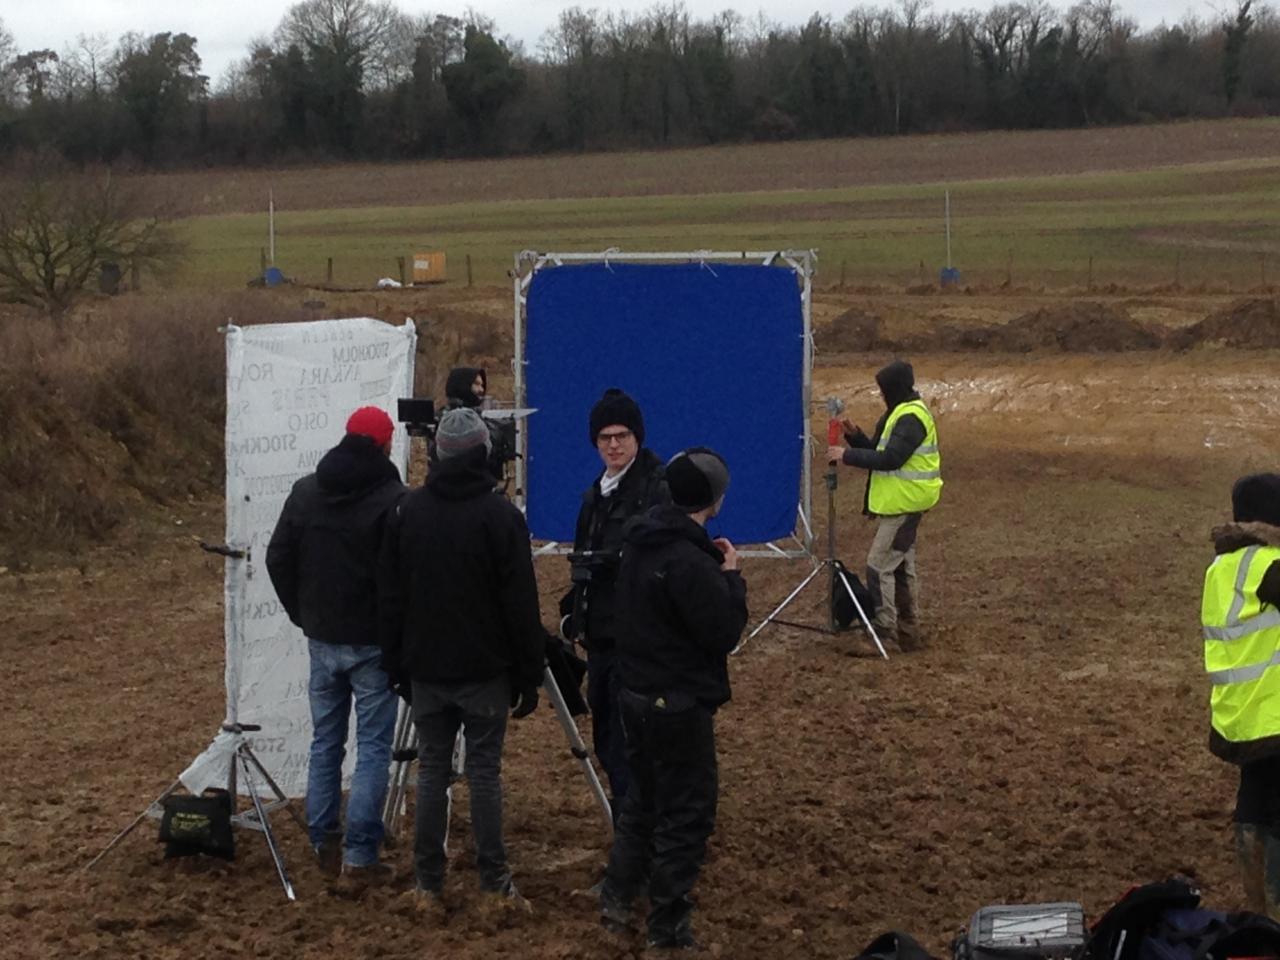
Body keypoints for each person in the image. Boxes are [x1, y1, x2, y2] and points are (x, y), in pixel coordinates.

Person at [379, 406, 544, 907]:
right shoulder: (500, 517)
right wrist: (529, 673)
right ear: (484, 454)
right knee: (484, 773)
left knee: (430, 772)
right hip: (484, 671)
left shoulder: (408, 511)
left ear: (437, 454)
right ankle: (494, 883)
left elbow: (390, 597)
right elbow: (520, 602)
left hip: (427, 668)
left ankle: (428, 883)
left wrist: (397, 664)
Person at [600, 447, 748, 951]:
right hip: (678, 704)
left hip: (635, 695)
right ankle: (667, 928)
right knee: (687, 814)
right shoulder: (689, 561)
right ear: (714, 500)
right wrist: (732, 577)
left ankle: (617, 901)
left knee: (642, 802)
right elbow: (723, 632)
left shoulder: (640, 543)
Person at [265, 406, 407, 881]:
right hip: (372, 645)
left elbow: (278, 556)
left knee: (325, 742)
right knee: (372, 749)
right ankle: (361, 856)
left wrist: (301, 613)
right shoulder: (393, 500)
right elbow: (402, 580)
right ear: (386, 446)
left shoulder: (306, 491)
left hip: (322, 639)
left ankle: (322, 839)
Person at [561, 388, 668, 816]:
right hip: (602, 635)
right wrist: (575, 604)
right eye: (604, 437)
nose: (613, 444)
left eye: (621, 435)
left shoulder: (657, 490)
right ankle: (634, 826)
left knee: (634, 745)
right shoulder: (595, 496)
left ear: (637, 436)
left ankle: (640, 836)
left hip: (639, 640)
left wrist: (622, 566)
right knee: (607, 738)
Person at [1202, 472, 1280, 920]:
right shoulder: (1268, 567)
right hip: (1274, 711)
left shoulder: (1223, 566)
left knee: (1254, 800)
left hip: (1240, 712)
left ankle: (1258, 905)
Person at [826, 359, 942, 653]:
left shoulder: (910, 417)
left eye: (883, 389)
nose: (881, 394)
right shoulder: (900, 413)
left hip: (905, 502)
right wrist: (854, 436)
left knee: (878, 566)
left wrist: (845, 456)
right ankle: (907, 629)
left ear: (893, 388)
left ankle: (885, 633)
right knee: (901, 566)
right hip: (904, 501)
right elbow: (879, 450)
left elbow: (891, 459)